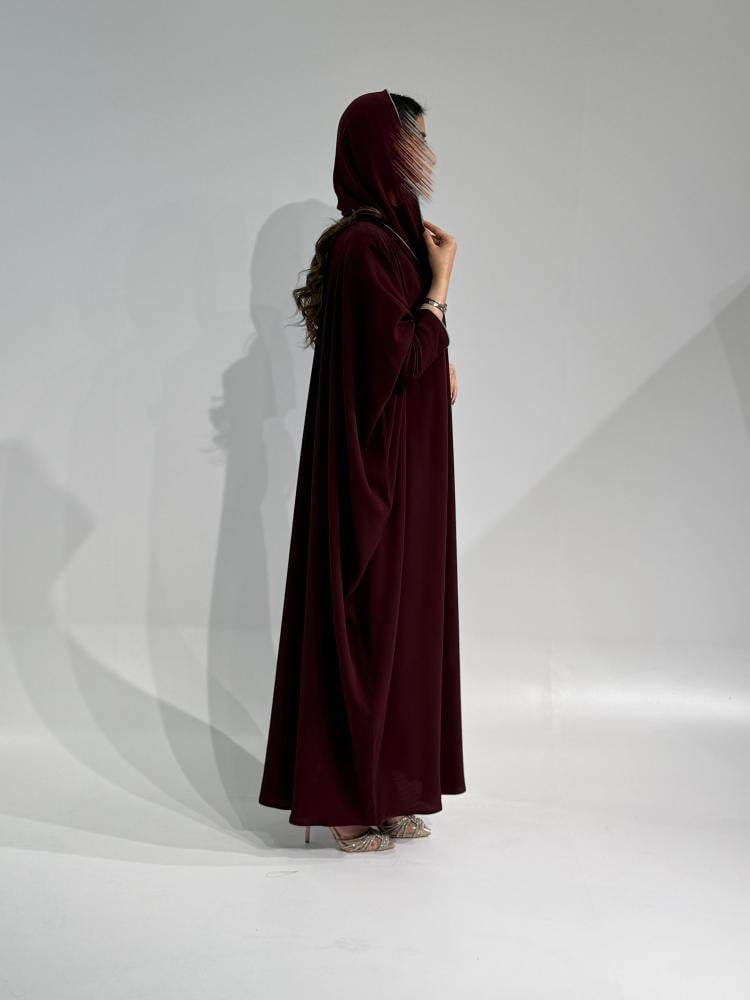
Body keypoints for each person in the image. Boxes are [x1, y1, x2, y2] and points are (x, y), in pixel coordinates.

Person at [258, 88, 466, 852]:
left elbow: (412, 355)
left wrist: (436, 333)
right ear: (383, 148)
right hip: (373, 474)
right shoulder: (363, 249)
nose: (428, 156)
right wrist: (441, 290)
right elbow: (398, 359)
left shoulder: (394, 244)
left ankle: (389, 787)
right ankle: (347, 799)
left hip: (409, 472)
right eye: (416, 140)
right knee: (366, 620)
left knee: (403, 625)